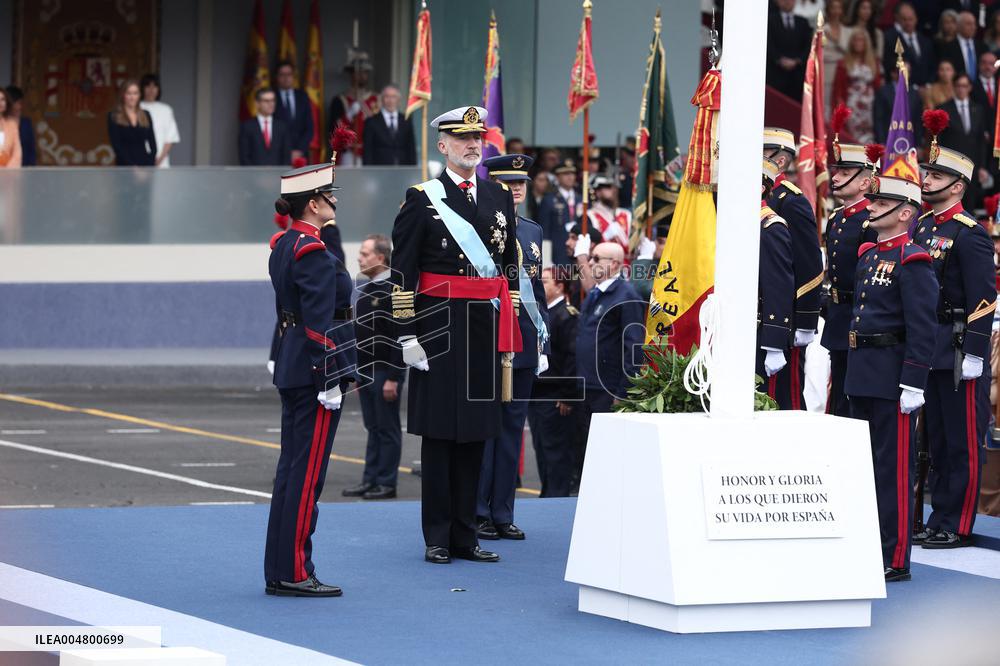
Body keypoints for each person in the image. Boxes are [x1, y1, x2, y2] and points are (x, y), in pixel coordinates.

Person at [389, 105, 519, 565]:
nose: (472, 144)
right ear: (442, 145)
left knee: (477, 437)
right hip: (438, 329)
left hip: (484, 330)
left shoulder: (499, 196)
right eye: (462, 138)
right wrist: (406, 335)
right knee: (442, 437)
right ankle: (438, 537)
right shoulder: (423, 198)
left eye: (477, 137)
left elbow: (509, 271)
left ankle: (467, 535)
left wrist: (514, 329)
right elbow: (402, 271)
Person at [265, 149, 358, 597]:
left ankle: (280, 567)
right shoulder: (314, 252)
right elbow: (321, 322)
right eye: (329, 196)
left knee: (291, 471)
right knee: (306, 476)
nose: (335, 202)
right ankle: (296, 572)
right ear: (314, 204)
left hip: (292, 364)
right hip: (313, 373)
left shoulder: (286, 244)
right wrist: (331, 380)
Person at [846, 173, 937, 583]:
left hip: (891, 375)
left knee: (894, 468)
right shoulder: (868, 254)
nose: (871, 206)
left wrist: (914, 381)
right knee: (863, 467)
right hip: (862, 371)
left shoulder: (913, 259)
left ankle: (895, 556)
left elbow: (923, 325)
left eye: (881, 203)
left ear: (904, 213)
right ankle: (867, 546)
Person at [911, 138, 996, 549]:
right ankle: (937, 514)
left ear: (959, 185)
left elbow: (984, 298)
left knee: (962, 440)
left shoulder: (970, 234)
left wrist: (977, 354)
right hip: (932, 345)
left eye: (938, 175)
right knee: (938, 439)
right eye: (928, 173)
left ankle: (957, 522)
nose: (928, 180)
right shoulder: (925, 226)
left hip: (961, 346)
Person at [476, 153, 549, 541]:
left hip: (522, 341)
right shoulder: (479, 227)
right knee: (486, 428)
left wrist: (543, 340)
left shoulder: (533, 231)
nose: (517, 189)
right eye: (508, 183)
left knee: (511, 431)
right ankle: (478, 511)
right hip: (489, 340)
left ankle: (503, 512)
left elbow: (536, 289)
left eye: (521, 182)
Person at [763, 128, 824, 410]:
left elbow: (808, 265)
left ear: (781, 162)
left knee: (783, 397)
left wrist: (805, 321)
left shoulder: (791, 201)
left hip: (782, 316)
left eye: (762, 154)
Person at [572, 241, 644, 477]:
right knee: (586, 450)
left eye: (596, 258)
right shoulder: (596, 293)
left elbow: (633, 346)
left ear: (614, 264)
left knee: (606, 455)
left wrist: (622, 392)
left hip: (607, 387)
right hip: (587, 384)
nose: (590, 262)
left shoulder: (626, 295)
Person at [343, 234, 405, 501]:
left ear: (381, 257)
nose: (359, 257)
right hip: (367, 371)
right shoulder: (367, 291)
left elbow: (402, 337)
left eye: (365, 253)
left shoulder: (397, 289)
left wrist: (394, 377)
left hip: (385, 371)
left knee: (388, 427)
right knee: (373, 426)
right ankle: (370, 478)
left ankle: (386, 482)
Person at [823, 141, 877, 417]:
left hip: (859, 316)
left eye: (844, 173)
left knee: (852, 397)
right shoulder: (837, 218)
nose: (835, 177)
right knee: (838, 391)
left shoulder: (871, 222)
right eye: (837, 171)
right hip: (838, 315)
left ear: (865, 181)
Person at [528, 267, 580, 498]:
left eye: (545, 281)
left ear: (559, 286)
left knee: (556, 452)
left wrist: (568, 394)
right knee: (541, 448)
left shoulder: (566, 315)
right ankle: (547, 491)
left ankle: (556, 496)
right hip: (537, 393)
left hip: (554, 395)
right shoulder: (544, 313)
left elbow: (572, 357)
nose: (540, 284)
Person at [758, 158, 796, 400]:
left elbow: (779, 286)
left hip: (758, 330)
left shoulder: (771, 227)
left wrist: (774, 341)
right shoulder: (731, 222)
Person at [937, 74, 989, 210]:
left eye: (965, 86)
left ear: (970, 88)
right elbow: (939, 141)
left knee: (970, 204)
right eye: (959, 86)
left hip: (972, 166)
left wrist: (982, 166)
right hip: (951, 165)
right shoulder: (943, 109)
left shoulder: (978, 109)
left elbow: (981, 141)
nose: (961, 89)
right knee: (951, 203)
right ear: (954, 87)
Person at [328, 49, 378, 166]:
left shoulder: (376, 99)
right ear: (352, 74)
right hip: (349, 154)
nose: (362, 75)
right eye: (358, 72)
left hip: (371, 152)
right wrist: (348, 115)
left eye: (364, 72)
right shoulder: (340, 100)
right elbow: (334, 131)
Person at [832, 29, 882, 143]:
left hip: (870, 106)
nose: (858, 43)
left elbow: (878, 87)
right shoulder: (843, 62)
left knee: (870, 138)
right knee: (853, 137)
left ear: (866, 43)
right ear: (851, 43)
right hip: (853, 106)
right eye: (855, 40)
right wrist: (841, 109)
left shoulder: (874, 62)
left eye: (861, 40)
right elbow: (838, 89)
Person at [767, 0, 814, 99]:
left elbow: (808, 46)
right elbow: (768, 44)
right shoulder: (769, 21)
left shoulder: (803, 22)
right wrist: (779, 59)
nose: (787, 2)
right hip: (776, 75)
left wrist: (797, 61)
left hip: (797, 77)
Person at [538, 159, 580, 267]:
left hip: (579, 252)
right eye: (566, 174)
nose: (570, 177)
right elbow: (544, 231)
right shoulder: (549, 199)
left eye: (572, 173)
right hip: (557, 254)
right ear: (557, 177)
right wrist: (546, 260)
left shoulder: (581, 199)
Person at [883, 2, 936, 87]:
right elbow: (889, 64)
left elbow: (932, 65)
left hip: (926, 89)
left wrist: (928, 85)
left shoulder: (926, 41)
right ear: (898, 20)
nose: (908, 23)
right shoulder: (891, 39)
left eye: (911, 19)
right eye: (904, 19)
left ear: (916, 19)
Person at [362, 84, 416, 166]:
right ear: (382, 99)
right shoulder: (371, 122)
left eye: (393, 97)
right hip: (379, 171)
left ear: (398, 100)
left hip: (402, 170)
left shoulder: (406, 120)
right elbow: (367, 151)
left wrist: (412, 171)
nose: (390, 100)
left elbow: (411, 148)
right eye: (387, 97)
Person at [107, 79, 156, 166]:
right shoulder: (113, 116)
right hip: (124, 167)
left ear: (139, 95)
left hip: (145, 167)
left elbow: (153, 144)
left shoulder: (146, 114)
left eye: (135, 93)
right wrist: (133, 168)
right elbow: (117, 146)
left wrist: (148, 167)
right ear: (123, 95)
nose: (132, 97)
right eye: (129, 93)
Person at [274, 61, 314, 163]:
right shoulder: (271, 97)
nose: (286, 78)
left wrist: (299, 150)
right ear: (277, 77)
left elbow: (309, 128)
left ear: (293, 76)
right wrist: (287, 152)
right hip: (278, 155)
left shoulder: (302, 96)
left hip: (301, 155)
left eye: (289, 74)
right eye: (282, 75)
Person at [239, 88, 291, 166]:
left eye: (273, 100)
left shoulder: (282, 127)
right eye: (266, 101)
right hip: (254, 175)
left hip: (276, 175)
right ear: (257, 103)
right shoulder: (247, 127)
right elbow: (244, 156)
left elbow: (286, 156)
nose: (271, 104)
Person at [139, 74, 180, 168]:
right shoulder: (136, 109)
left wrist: (159, 159)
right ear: (142, 88)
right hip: (139, 162)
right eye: (148, 86)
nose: (151, 89)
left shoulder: (166, 110)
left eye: (154, 86)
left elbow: (170, 137)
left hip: (161, 162)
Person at [586, 175, 632, 257]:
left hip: (626, 264)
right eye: (607, 187)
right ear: (598, 192)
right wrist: (605, 237)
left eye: (613, 187)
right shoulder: (590, 215)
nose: (612, 191)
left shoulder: (626, 214)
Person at [823, 0, 855, 117]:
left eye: (839, 8)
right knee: (826, 109)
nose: (836, 11)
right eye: (833, 8)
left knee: (842, 108)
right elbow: (821, 54)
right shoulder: (822, 30)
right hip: (827, 74)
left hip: (844, 74)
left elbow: (850, 53)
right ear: (828, 10)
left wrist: (835, 42)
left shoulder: (848, 31)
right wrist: (840, 55)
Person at [940, 11, 988, 80]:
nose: (973, 27)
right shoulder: (947, 47)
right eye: (968, 24)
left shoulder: (983, 47)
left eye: (974, 24)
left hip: (978, 88)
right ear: (958, 25)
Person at [848, 0, 884, 74]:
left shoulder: (877, 33)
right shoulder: (849, 31)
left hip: (872, 69)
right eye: (864, 8)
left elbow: (879, 56)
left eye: (869, 8)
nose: (867, 11)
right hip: (852, 68)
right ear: (857, 10)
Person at [5, 86, 34, 166]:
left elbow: (31, 150)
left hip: (25, 169)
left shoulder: (26, 123)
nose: (19, 107)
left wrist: (31, 170)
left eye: (21, 103)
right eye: (17, 103)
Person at [0, 88, 22, 168]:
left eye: (3, 99)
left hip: (8, 174)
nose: (0, 103)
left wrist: (8, 172)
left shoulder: (12, 125)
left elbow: (17, 152)